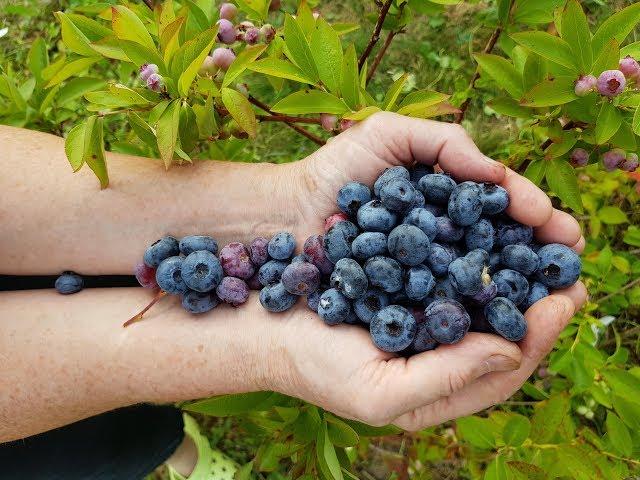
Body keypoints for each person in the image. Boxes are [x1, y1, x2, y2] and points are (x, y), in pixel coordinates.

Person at [0, 112, 587, 477]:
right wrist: (268, 348)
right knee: (72, 456)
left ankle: (169, 450)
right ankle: (171, 456)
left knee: (121, 437)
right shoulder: (392, 259)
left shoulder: (406, 248)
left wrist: (282, 200)